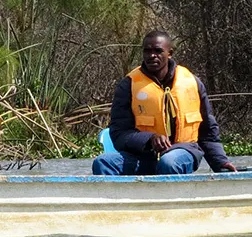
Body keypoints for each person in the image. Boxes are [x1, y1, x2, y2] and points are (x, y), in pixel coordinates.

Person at [92, 30, 237, 176]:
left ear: (170, 53)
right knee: (103, 162)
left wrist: (220, 162)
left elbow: (208, 130)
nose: (152, 55)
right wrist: (149, 139)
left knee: (169, 162)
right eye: (147, 51)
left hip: (184, 152)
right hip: (142, 156)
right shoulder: (128, 85)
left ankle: (172, 197)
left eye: (158, 51)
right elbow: (119, 134)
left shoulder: (192, 82)